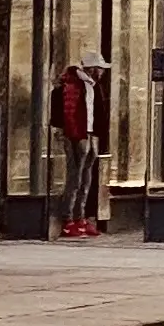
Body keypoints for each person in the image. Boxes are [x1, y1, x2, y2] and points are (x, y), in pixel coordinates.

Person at [50, 58, 107, 236]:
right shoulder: (73, 86)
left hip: (89, 133)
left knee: (86, 177)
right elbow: (66, 111)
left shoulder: (92, 86)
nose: (102, 72)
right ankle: (69, 218)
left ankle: (80, 216)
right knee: (75, 177)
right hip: (78, 134)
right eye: (100, 68)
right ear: (92, 69)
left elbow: (97, 111)